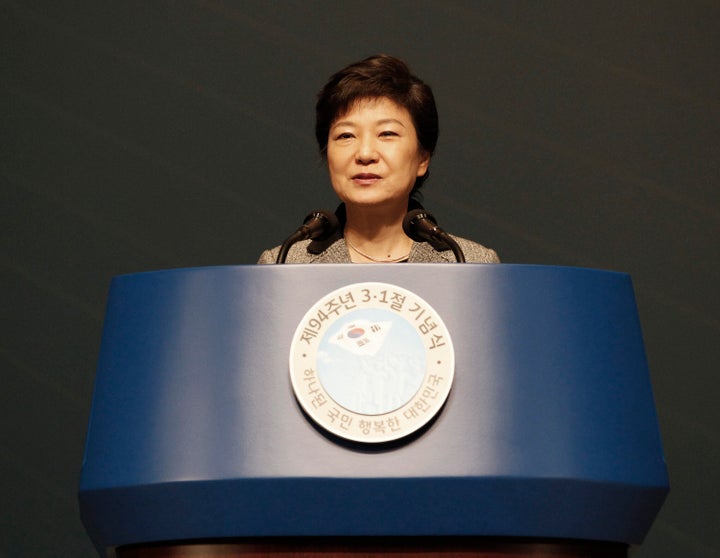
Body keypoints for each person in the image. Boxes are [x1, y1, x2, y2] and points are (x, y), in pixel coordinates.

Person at [257, 54, 499, 264]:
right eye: (346, 135)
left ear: (423, 158)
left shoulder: (470, 263)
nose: (365, 154)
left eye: (387, 134)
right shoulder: (284, 263)